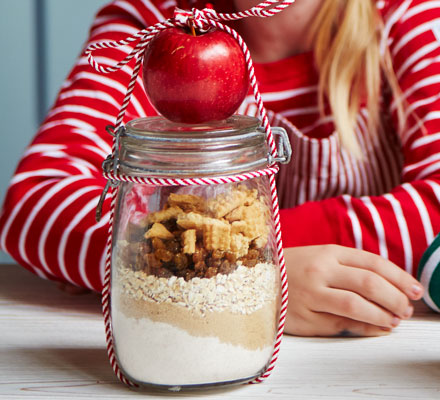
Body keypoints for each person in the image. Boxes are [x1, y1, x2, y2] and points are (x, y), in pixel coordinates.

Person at [0, 0, 438, 337]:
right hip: (185, 343)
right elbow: (36, 200)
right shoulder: (152, 24)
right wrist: (255, 278)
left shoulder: (405, 15)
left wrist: (246, 264)